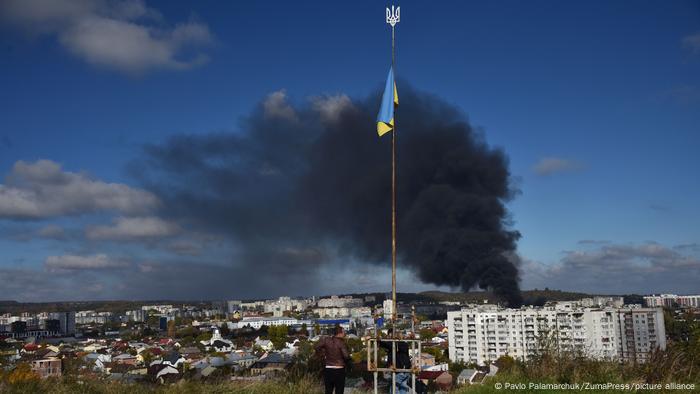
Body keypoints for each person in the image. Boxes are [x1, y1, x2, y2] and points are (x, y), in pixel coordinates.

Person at [315, 325, 350, 394]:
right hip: (339, 370)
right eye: (343, 332)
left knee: (328, 390)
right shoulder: (341, 343)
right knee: (339, 391)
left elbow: (317, 347)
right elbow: (346, 356)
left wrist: (322, 355)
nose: (344, 334)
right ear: (340, 333)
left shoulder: (326, 340)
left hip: (328, 369)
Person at [380, 328, 413, 394]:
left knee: (394, 388)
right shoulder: (403, 344)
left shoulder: (396, 344)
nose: (388, 337)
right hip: (405, 370)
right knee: (402, 387)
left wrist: (378, 341)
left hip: (399, 370)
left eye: (389, 335)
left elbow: (386, 344)